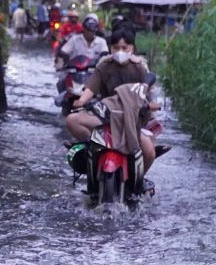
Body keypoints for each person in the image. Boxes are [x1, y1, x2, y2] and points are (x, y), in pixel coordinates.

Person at [65, 26, 161, 178]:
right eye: (116, 47)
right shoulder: (104, 66)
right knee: (72, 120)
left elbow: (149, 92)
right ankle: (92, 146)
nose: (120, 51)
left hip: (133, 121)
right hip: (106, 117)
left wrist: (153, 104)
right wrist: (81, 100)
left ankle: (138, 180)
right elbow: (91, 88)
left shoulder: (139, 68)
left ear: (132, 48)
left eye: (124, 47)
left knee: (149, 152)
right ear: (110, 48)